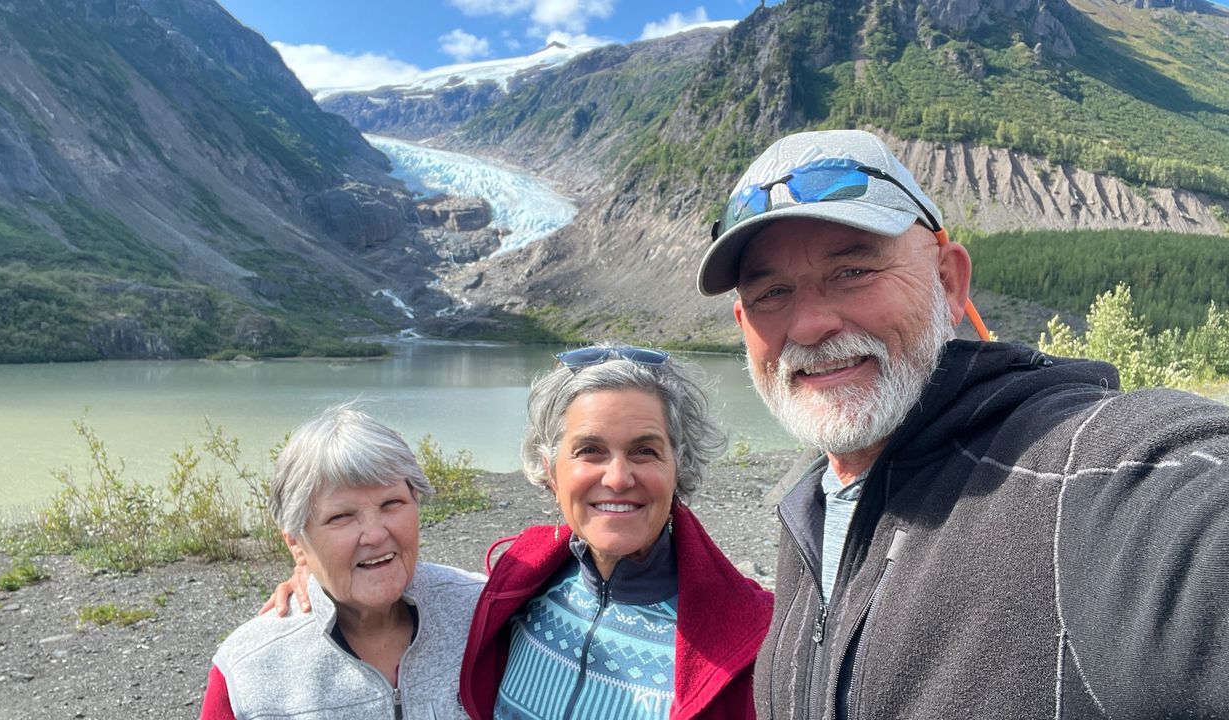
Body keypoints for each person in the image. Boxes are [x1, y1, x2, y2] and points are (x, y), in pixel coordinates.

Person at [696, 129, 1229, 719]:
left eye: (852, 271)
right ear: (744, 323)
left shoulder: (1074, 475)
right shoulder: (809, 507)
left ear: (947, 282)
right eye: (772, 292)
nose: (809, 325)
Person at [458, 345, 774, 719]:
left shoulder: (755, 642)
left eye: (645, 451)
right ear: (550, 471)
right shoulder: (520, 583)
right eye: (590, 450)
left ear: (679, 467)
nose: (619, 478)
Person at [200, 403, 483, 720]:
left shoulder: (484, 612)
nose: (375, 535)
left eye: (392, 503)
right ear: (296, 542)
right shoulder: (249, 670)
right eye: (342, 517)